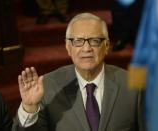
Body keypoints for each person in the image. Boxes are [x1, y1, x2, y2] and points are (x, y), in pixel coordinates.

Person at [13, 13, 144, 131]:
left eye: (94, 41)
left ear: (106, 46)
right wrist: (29, 109)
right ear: (68, 47)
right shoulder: (46, 87)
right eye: (78, 41)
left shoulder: (133, 86)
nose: (86, 48)